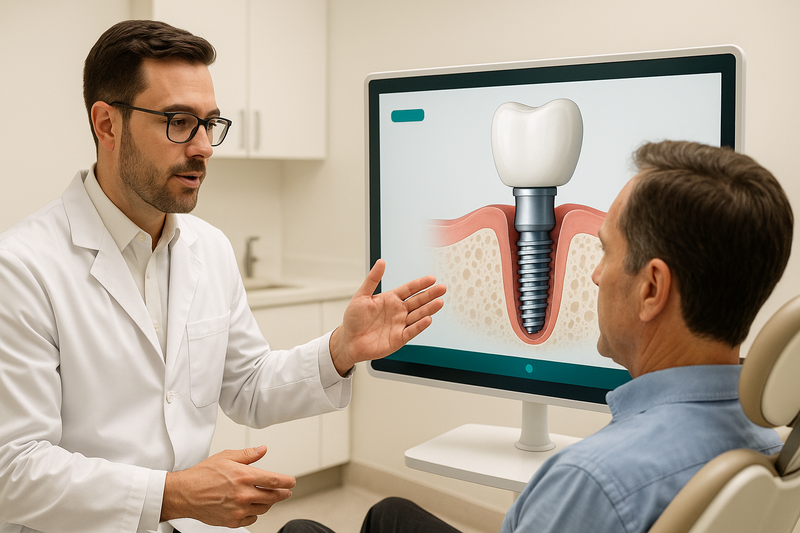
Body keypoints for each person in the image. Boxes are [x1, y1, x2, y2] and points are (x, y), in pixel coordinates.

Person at [0, 20, 445, 533]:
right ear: (107, 124)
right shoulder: (24, 268)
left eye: (209, 123)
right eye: (178, 121)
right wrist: (173, 493)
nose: (203, 147)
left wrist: (341, 348)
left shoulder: (208, 249)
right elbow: (13, 470)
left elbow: (248, 386)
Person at [279, 140, 794, 533]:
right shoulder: (768, 442)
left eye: (607, 251)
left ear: (652, 288)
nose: (595, 275)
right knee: (391, 515)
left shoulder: (591, 480)